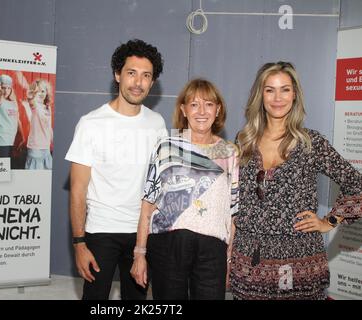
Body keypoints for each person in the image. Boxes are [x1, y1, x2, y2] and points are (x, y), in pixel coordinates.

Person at [230, 61, 362, 300]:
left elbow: (356, 183)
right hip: (248, 262)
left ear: (294, 95)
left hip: (298, 260)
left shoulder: (311, 143)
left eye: (285, 89)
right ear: (260, 96)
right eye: (270, 89)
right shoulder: (244, 141)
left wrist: (329, 220)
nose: (277, 97)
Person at [65, 39, 166, 300]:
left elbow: (161, 184)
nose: (138, 82)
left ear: (152, 82)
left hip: (142, 235)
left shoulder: (157, 124)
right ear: (117, 75)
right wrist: (79, 244)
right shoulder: (91, 123)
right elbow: (77, 189)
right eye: (131, 73)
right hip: (101, 232)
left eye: (146, 76)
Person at [130, 78, 239, 300]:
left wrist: (229, 258)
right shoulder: (166, 147)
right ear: (183, 110)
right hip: (168, 246)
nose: (202, 111)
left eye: (209, 104)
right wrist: (139, 254)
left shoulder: (229, 152)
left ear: (218, 110)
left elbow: (233, 211)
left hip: (213, 250)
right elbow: (147, 206)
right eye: (194, 104)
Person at [0, 74, 24, 158]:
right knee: (3, 167)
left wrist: (22, 136)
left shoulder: (13, 102)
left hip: (11, 140)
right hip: (1, 140)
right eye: (3, 87)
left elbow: (17, 120)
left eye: (9, 88)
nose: (6, 91)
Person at [24, 79, 53, 170]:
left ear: (47, 93)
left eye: (43, 91)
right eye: (38, 91)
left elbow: (48, 126)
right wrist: (30, 98)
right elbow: (32, 103)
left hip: (46, 147)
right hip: (36, 147)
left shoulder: (48, 107)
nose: (40, 93)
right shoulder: (35, 105)